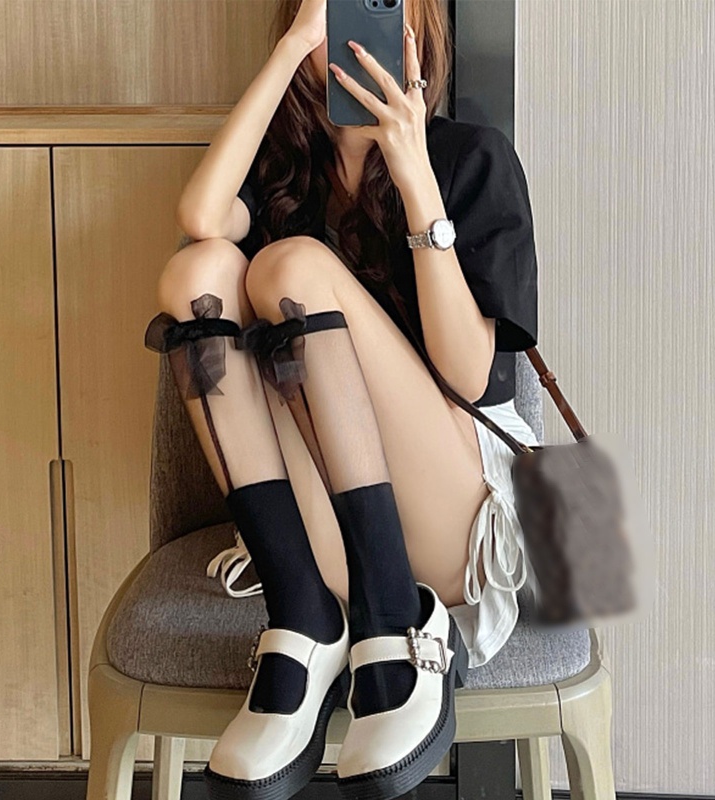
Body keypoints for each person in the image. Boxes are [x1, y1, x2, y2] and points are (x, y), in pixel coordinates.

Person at [143, 1, 541, 799]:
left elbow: (469, 378)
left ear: (421, 30)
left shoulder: (471, 158)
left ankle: (398, 619)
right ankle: (305, 618)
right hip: (328, 531)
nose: (357, 30)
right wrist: (293, 45)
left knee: (289, 271)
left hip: (454, 524)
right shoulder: (285, 170)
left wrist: (414, 177)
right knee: (197, 275)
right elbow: (200, 216)